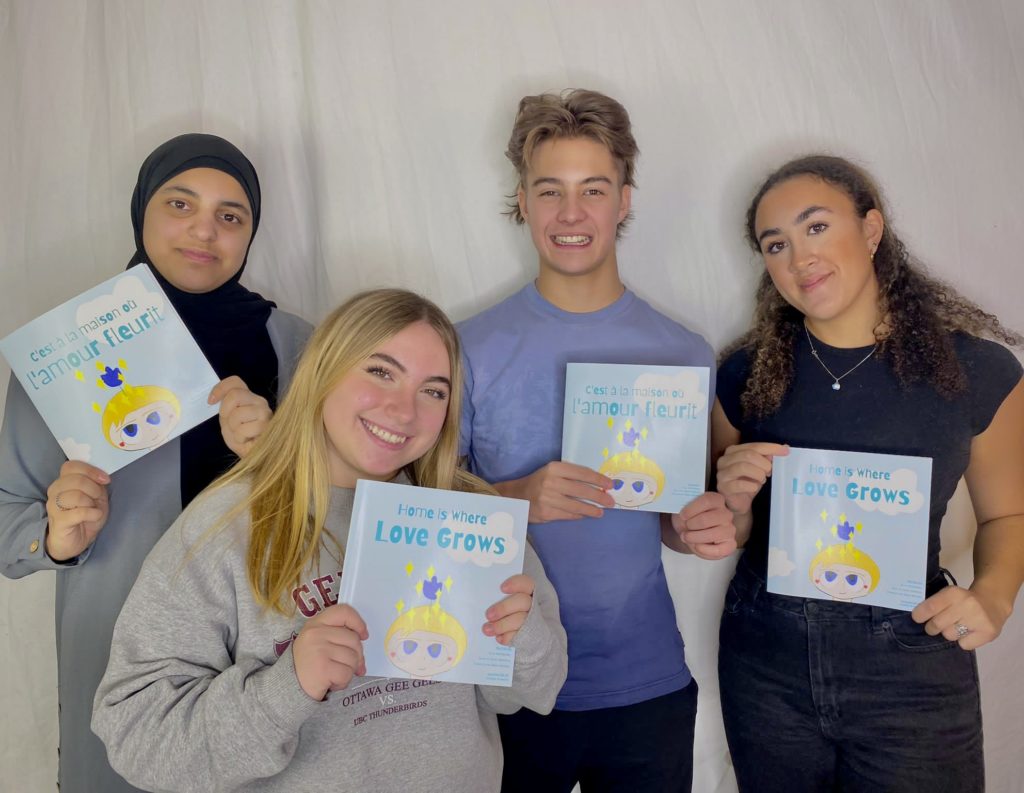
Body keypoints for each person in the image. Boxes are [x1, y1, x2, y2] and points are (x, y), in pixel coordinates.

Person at [91, 288, 568, 791]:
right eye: (381, 371)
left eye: (434, 390)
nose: (404, 411)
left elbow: (536, 691)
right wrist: (287, 686)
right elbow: (137, 738)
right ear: (323, 371)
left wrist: (524, 638)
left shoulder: (472, 517)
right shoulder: (223, 527)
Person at [0, 133, 311, 793]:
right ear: (141, 209)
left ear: (251, 232)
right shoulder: (66, 357)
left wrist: (281, 455)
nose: (205, 230)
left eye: (232, 215)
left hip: (267, 665)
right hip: (117, 655)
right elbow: (5, 519)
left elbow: (343, 515)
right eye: (180, 203)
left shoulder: (302, 348)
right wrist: (54, 537)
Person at [712, 154, 1024, 792]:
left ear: (872, 230)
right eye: (777, 244)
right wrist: (733, 503)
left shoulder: (976, 371)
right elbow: (728, 527)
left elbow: (1009, 513)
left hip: (909, 668)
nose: (800, 257)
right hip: (766, 661)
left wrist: (993, 595)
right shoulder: (745, 373)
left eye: (817, 227)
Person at [458, 89, 737, 792]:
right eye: (550, 190)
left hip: (647, 686)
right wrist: (517, 495)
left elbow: (674, 524)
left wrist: (698, 526)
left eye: (594, 189)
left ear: (626, 199)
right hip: (508, 683)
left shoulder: (683, 352)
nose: (571, 213)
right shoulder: (466, 348)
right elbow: (421, 518)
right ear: (522, 201)